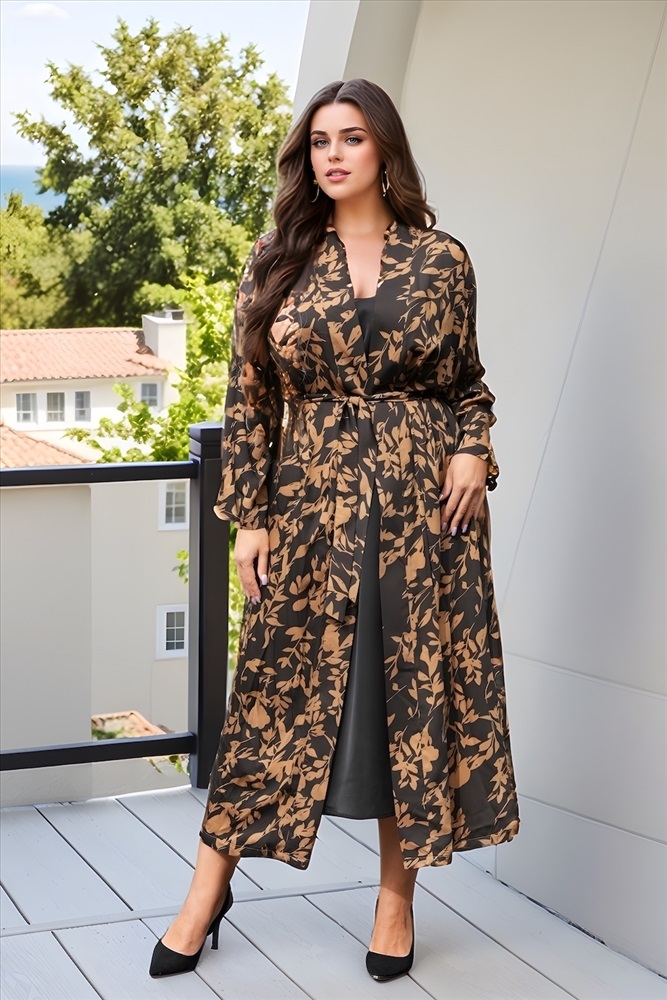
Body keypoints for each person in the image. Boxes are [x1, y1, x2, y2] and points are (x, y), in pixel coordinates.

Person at [149, 78, 519, 983]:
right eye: (319, 141)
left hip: (424, 513)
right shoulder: (277, 257)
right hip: (310, 503)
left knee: (410, 698)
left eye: (351, 137)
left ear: (383, 148)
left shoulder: (440, 260)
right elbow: (249, 398)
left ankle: (396, 902)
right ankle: (204, 894)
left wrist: (471, 448)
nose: (334, 155)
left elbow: (467, 385)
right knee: (272, 694)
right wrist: (248, 518)